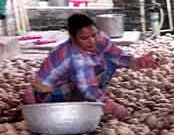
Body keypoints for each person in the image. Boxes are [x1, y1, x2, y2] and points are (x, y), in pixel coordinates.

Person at [22, 14, 162, 119]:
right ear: (72, 38)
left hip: (73, 80)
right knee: (88, 86)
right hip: (49, 93)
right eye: (84, 38)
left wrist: (137, 62)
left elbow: (118, 57)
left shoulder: (101, 39)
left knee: (108, 60)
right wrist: (112, 107)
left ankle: (93, 102)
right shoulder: (74, 55)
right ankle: (40, 101)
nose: (92, 41)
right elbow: (88, 88)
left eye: (94, 34)